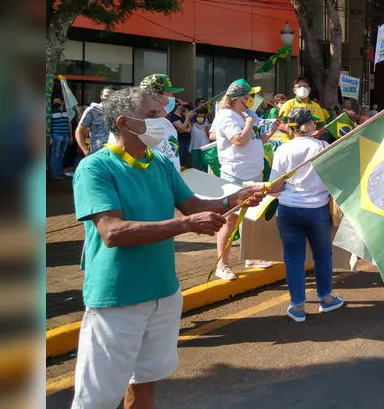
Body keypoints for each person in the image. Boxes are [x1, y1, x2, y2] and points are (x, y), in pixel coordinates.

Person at [70, 86, 264, 409]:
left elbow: (194, 205)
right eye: (152, 114)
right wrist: (187, 226)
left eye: (161, 112)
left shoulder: (158, 163)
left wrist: (235, 198)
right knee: (96, 399)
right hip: (117, 298)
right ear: (123, 123)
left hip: (163, 293)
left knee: (144, 383)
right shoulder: (95, 168)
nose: (164, 120)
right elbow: (113, 232)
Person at [267, 107, 344, 322]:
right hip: (317, 209)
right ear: (307, 126)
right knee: (322, 255)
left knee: (293, 258)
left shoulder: (283, 150)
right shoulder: (323, 147)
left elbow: (276, 186)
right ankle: (326, 299)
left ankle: (298, 306)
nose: (315, 126)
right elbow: (334, 180)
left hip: (288, 210)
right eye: (313, 123)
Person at [213, 79, 278, 280]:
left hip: (252, 174)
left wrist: (271, 131)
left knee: (249, 217)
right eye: (250, 95)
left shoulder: (247, 115)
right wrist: (249, 122)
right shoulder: (227, 116)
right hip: (235, 175)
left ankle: (251, 256)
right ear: (240, 98)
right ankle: (222, 264)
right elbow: (239, 140)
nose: (253, 99)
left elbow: (255, 139)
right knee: (229, 220)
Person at [138, 74, 184, 171]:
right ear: (155, 97)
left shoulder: (167, 124)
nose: (173, 98)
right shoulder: (136, 126)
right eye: (169, 93)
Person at [75, 86, 116, 157]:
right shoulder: (92, 110)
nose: (109, 98)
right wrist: (86, 151)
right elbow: (79, 132)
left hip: (116, 154)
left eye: (112, 96)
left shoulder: (120, 112)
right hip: (98, 154)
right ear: (101, 96)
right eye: (106, 95)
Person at [49, 96, 73, 180]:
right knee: (55, 155)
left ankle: (60, 172)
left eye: (58, 101)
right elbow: (49, 125)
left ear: (62, 102)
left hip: (65, 135)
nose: (56, 103)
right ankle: (55, 173)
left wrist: (71, 136)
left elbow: (69, 124)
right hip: (56, 135)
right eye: (55, 102)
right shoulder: (51, 112)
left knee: (61, 155)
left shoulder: (66, 111)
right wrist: (51, 138)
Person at [167, 99, 193, 168]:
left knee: (185, 157)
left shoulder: (182, 115)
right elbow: (182, 128)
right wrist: (187, 118)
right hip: (179, 141)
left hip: (186, 139)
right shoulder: (173, 116)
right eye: (181, 104)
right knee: (180, 157)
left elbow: (189, 128)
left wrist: (185, 129)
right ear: (178, 106)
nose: (183, 106)